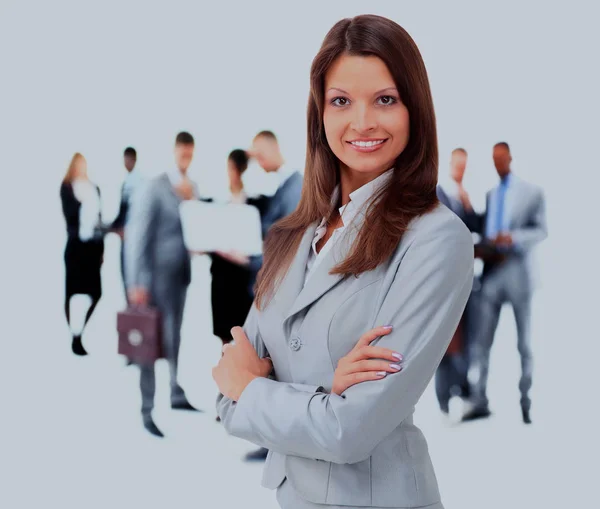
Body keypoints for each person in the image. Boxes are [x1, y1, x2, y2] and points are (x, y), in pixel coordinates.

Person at [213, 15, 473, 509]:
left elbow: (349, 432)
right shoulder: (294, 235)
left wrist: (259, 389)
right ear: (320, 114)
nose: (362, 122)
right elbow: (227, 398)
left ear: (414, 108)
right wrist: (321, 391)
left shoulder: (436, 239)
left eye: (385, 99)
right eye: (341, 101)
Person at [463, 142, 547, 424]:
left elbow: (541, 230)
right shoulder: (490, 194)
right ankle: (478, 398)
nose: (498, 164)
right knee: (481, 341)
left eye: (502, 159)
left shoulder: (531, 192)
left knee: (523, 343)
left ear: (510, 158)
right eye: (494, 160)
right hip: (491, 273)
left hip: (518, 274)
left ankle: (526, 400)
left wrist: (514, 238)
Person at [125, 131, 201, 438]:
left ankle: (174, 390)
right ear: (175, 151)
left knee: (174, 334)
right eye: (183, 152)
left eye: (191, 153)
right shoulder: (155, 186)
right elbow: (137, 235)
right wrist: (136, 281)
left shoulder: (192, 187)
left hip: (179, 276)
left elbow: (195, 226)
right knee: (147, 342)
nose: (187, 157)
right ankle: (147, 409)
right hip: (153, 280)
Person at [434, 148, 479, 417]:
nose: (460, 170)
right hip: (445, 285)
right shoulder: (439, 193)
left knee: (461, 343)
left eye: (465, 166)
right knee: (445, 344)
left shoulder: (461, 195)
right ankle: (444, 402)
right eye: (457, 165)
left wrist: (469, 202)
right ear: (450, 164)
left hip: (463, 281)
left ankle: (460, 394)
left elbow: (474, 226)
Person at [60, 153, 104, 356]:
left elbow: (99, 219)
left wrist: (101, 248)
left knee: (95, 293)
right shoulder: (68, 187)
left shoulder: (94, 188)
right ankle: (73, 335)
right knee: (71, 293)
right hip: (76, 247)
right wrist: (83, 203)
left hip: (92, 249)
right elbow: (70, 216)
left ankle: (81, 332)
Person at [110, 146, 143, 304]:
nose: (126, 162)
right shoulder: (126, 181)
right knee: (124, 272)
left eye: (128, 159)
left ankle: (133, 308)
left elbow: (137, 211)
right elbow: (122, 210)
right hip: (124, 234)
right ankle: (129, 307)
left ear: (134, 159)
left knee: (132, 274)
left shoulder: (138, 182)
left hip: (133, 236)